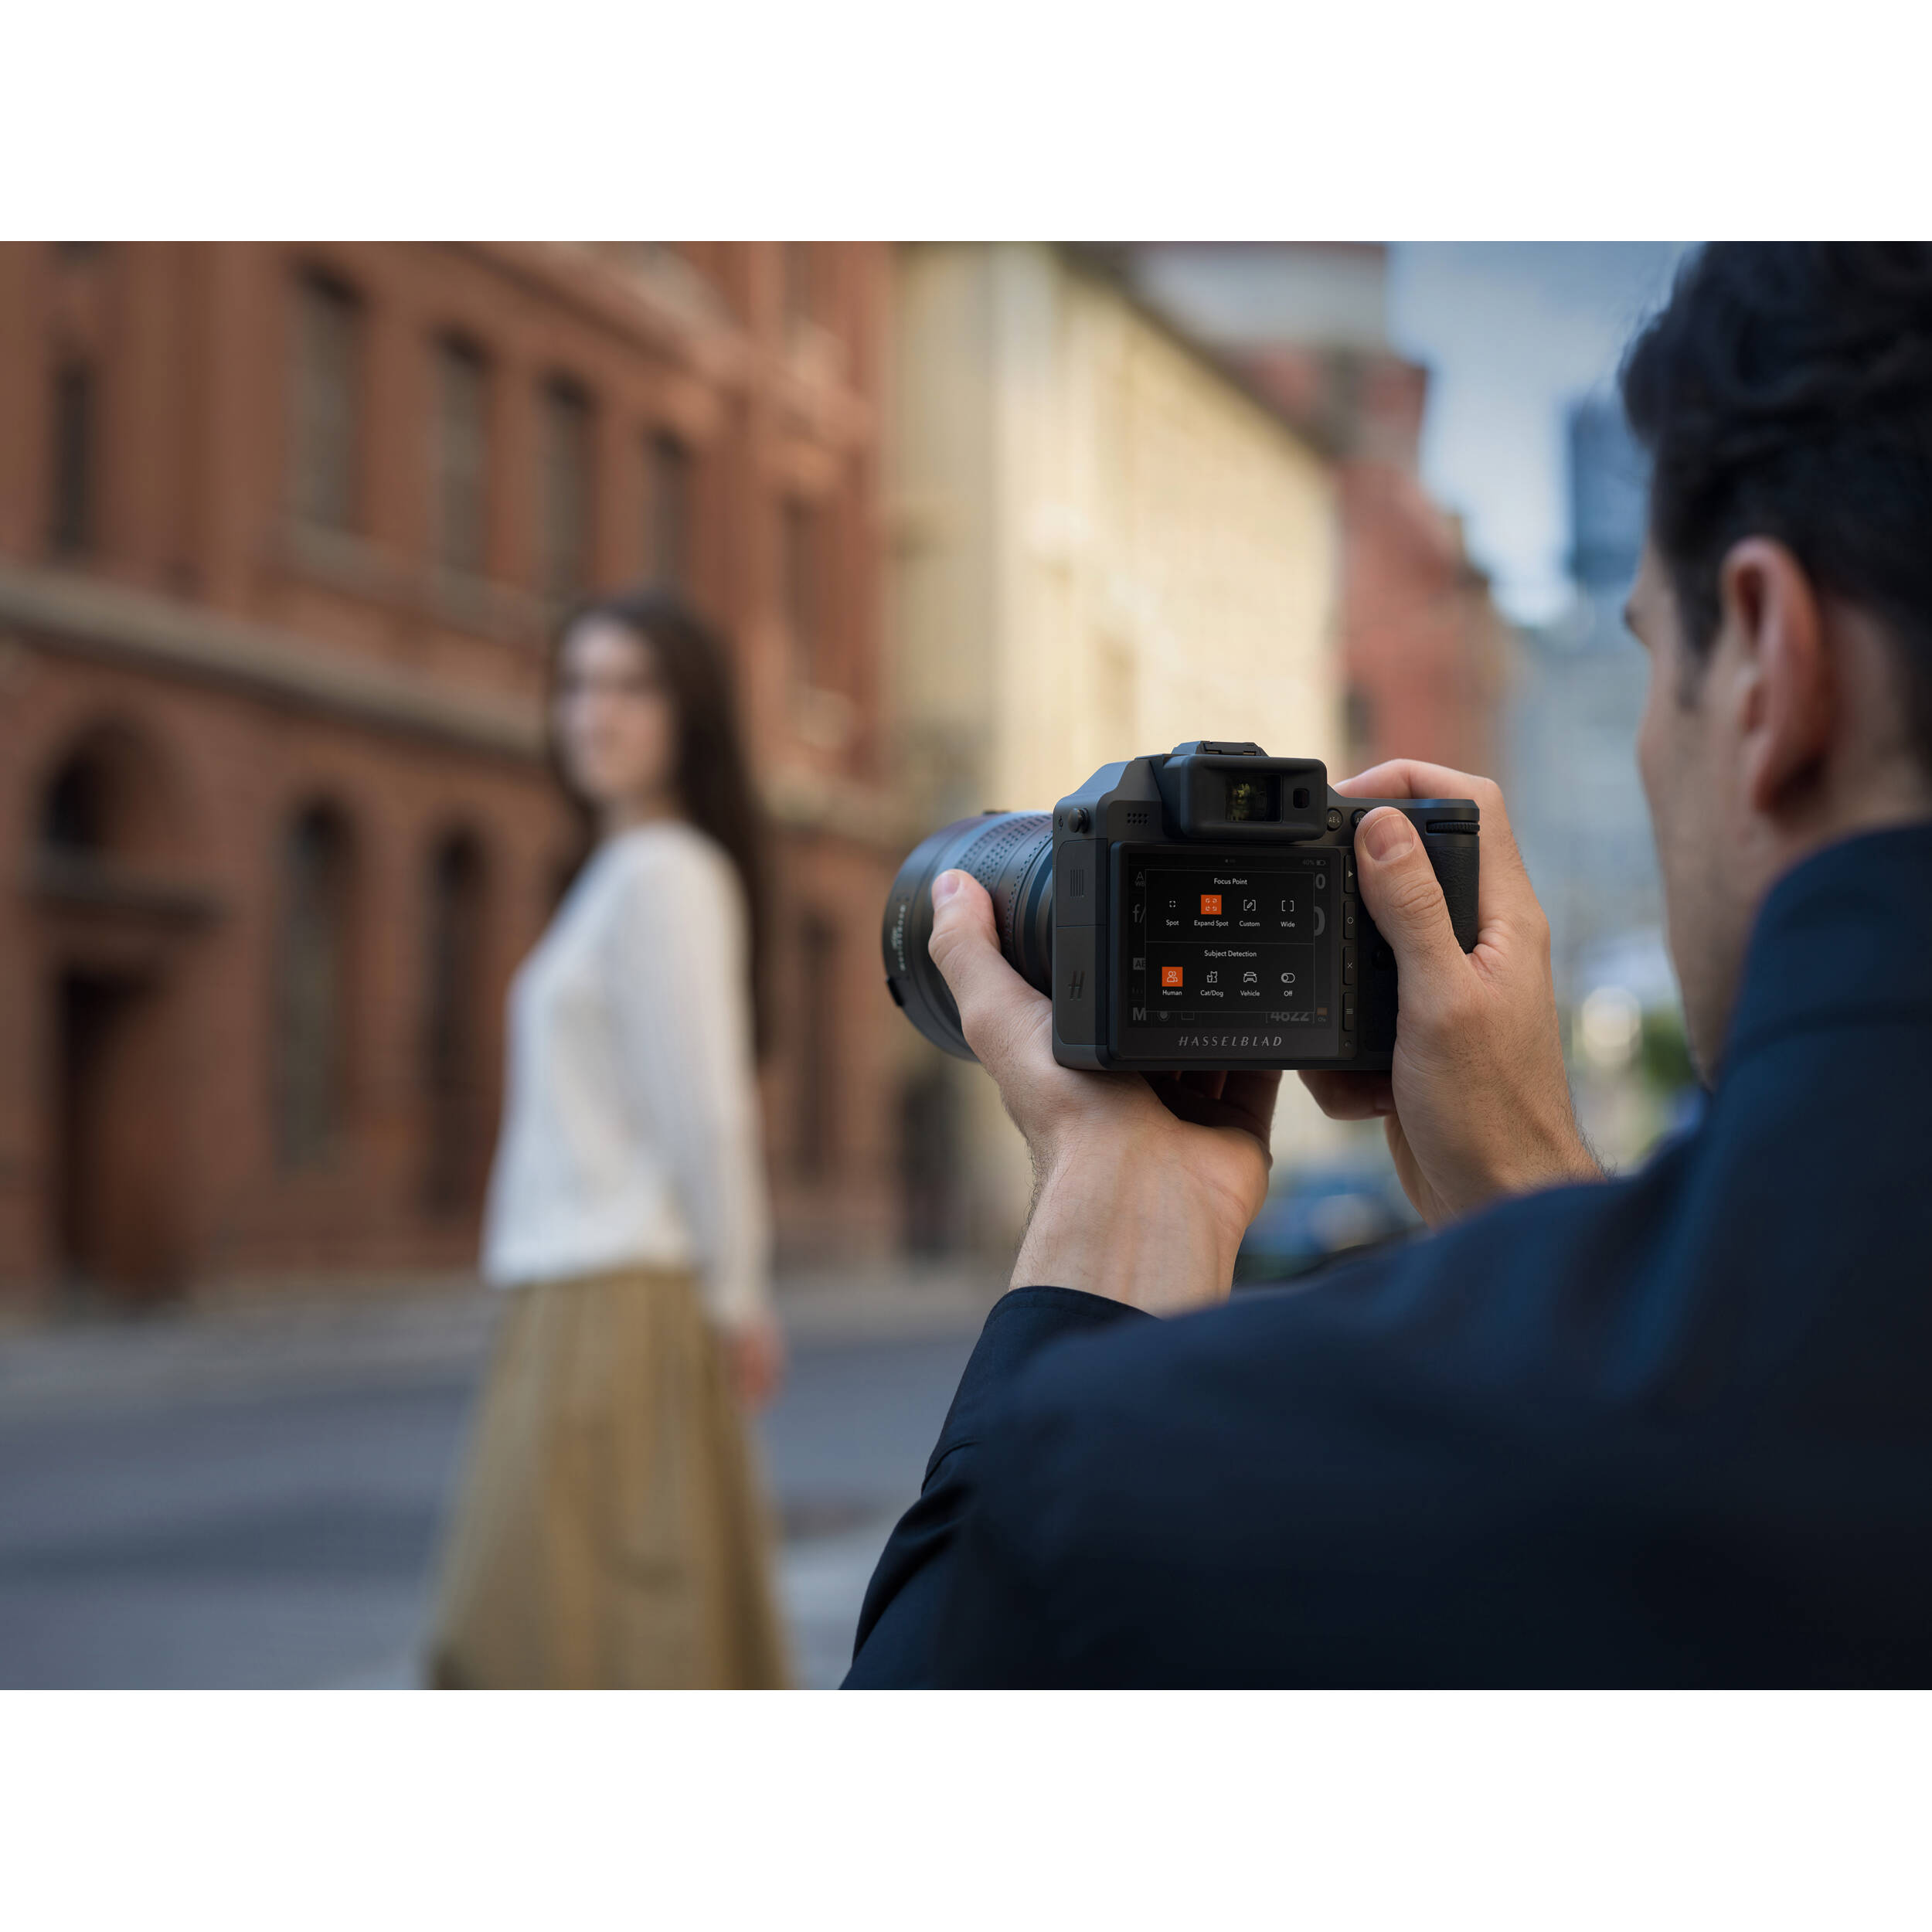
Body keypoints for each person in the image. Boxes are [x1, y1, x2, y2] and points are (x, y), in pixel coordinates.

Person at [845, 242, 1932, 1687]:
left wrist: (1121, 1229)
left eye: (1651, 655)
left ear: (1768, 665)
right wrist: (1532, 1186)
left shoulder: (1158, 1482)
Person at [430, 588, 789, 1689]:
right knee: (564, 1636)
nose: (596, 713)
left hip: (619, 1298)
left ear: (691, 716)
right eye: (579, 685)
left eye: (633, 687)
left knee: (587, 1643)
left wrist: (738, 1298)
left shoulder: (668, 875)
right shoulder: (620, 873)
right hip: (572, 1290)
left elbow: (706, 1108)